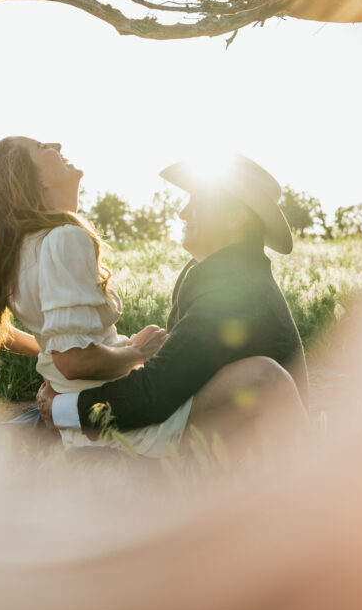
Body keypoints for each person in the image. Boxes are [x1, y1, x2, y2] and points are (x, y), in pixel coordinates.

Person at [37, 153, 309, 448]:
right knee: (30, 424)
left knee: (35, 428)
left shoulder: (234, 286)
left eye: (198, 200)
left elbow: (158, 391)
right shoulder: (219, 270)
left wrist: (61, 409)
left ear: (235, 217)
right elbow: (175, 372)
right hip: (216, 430)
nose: (183, 212)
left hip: (243, 451)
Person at [0, 136, 184, 455]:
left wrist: (54, 346)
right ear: (31, 178)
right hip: (113, 420)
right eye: (42, 147)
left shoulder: (9, 250)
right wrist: (138, 352)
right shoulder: (65, 238)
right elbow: (76, 361)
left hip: (80, 410)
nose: (56, 144)